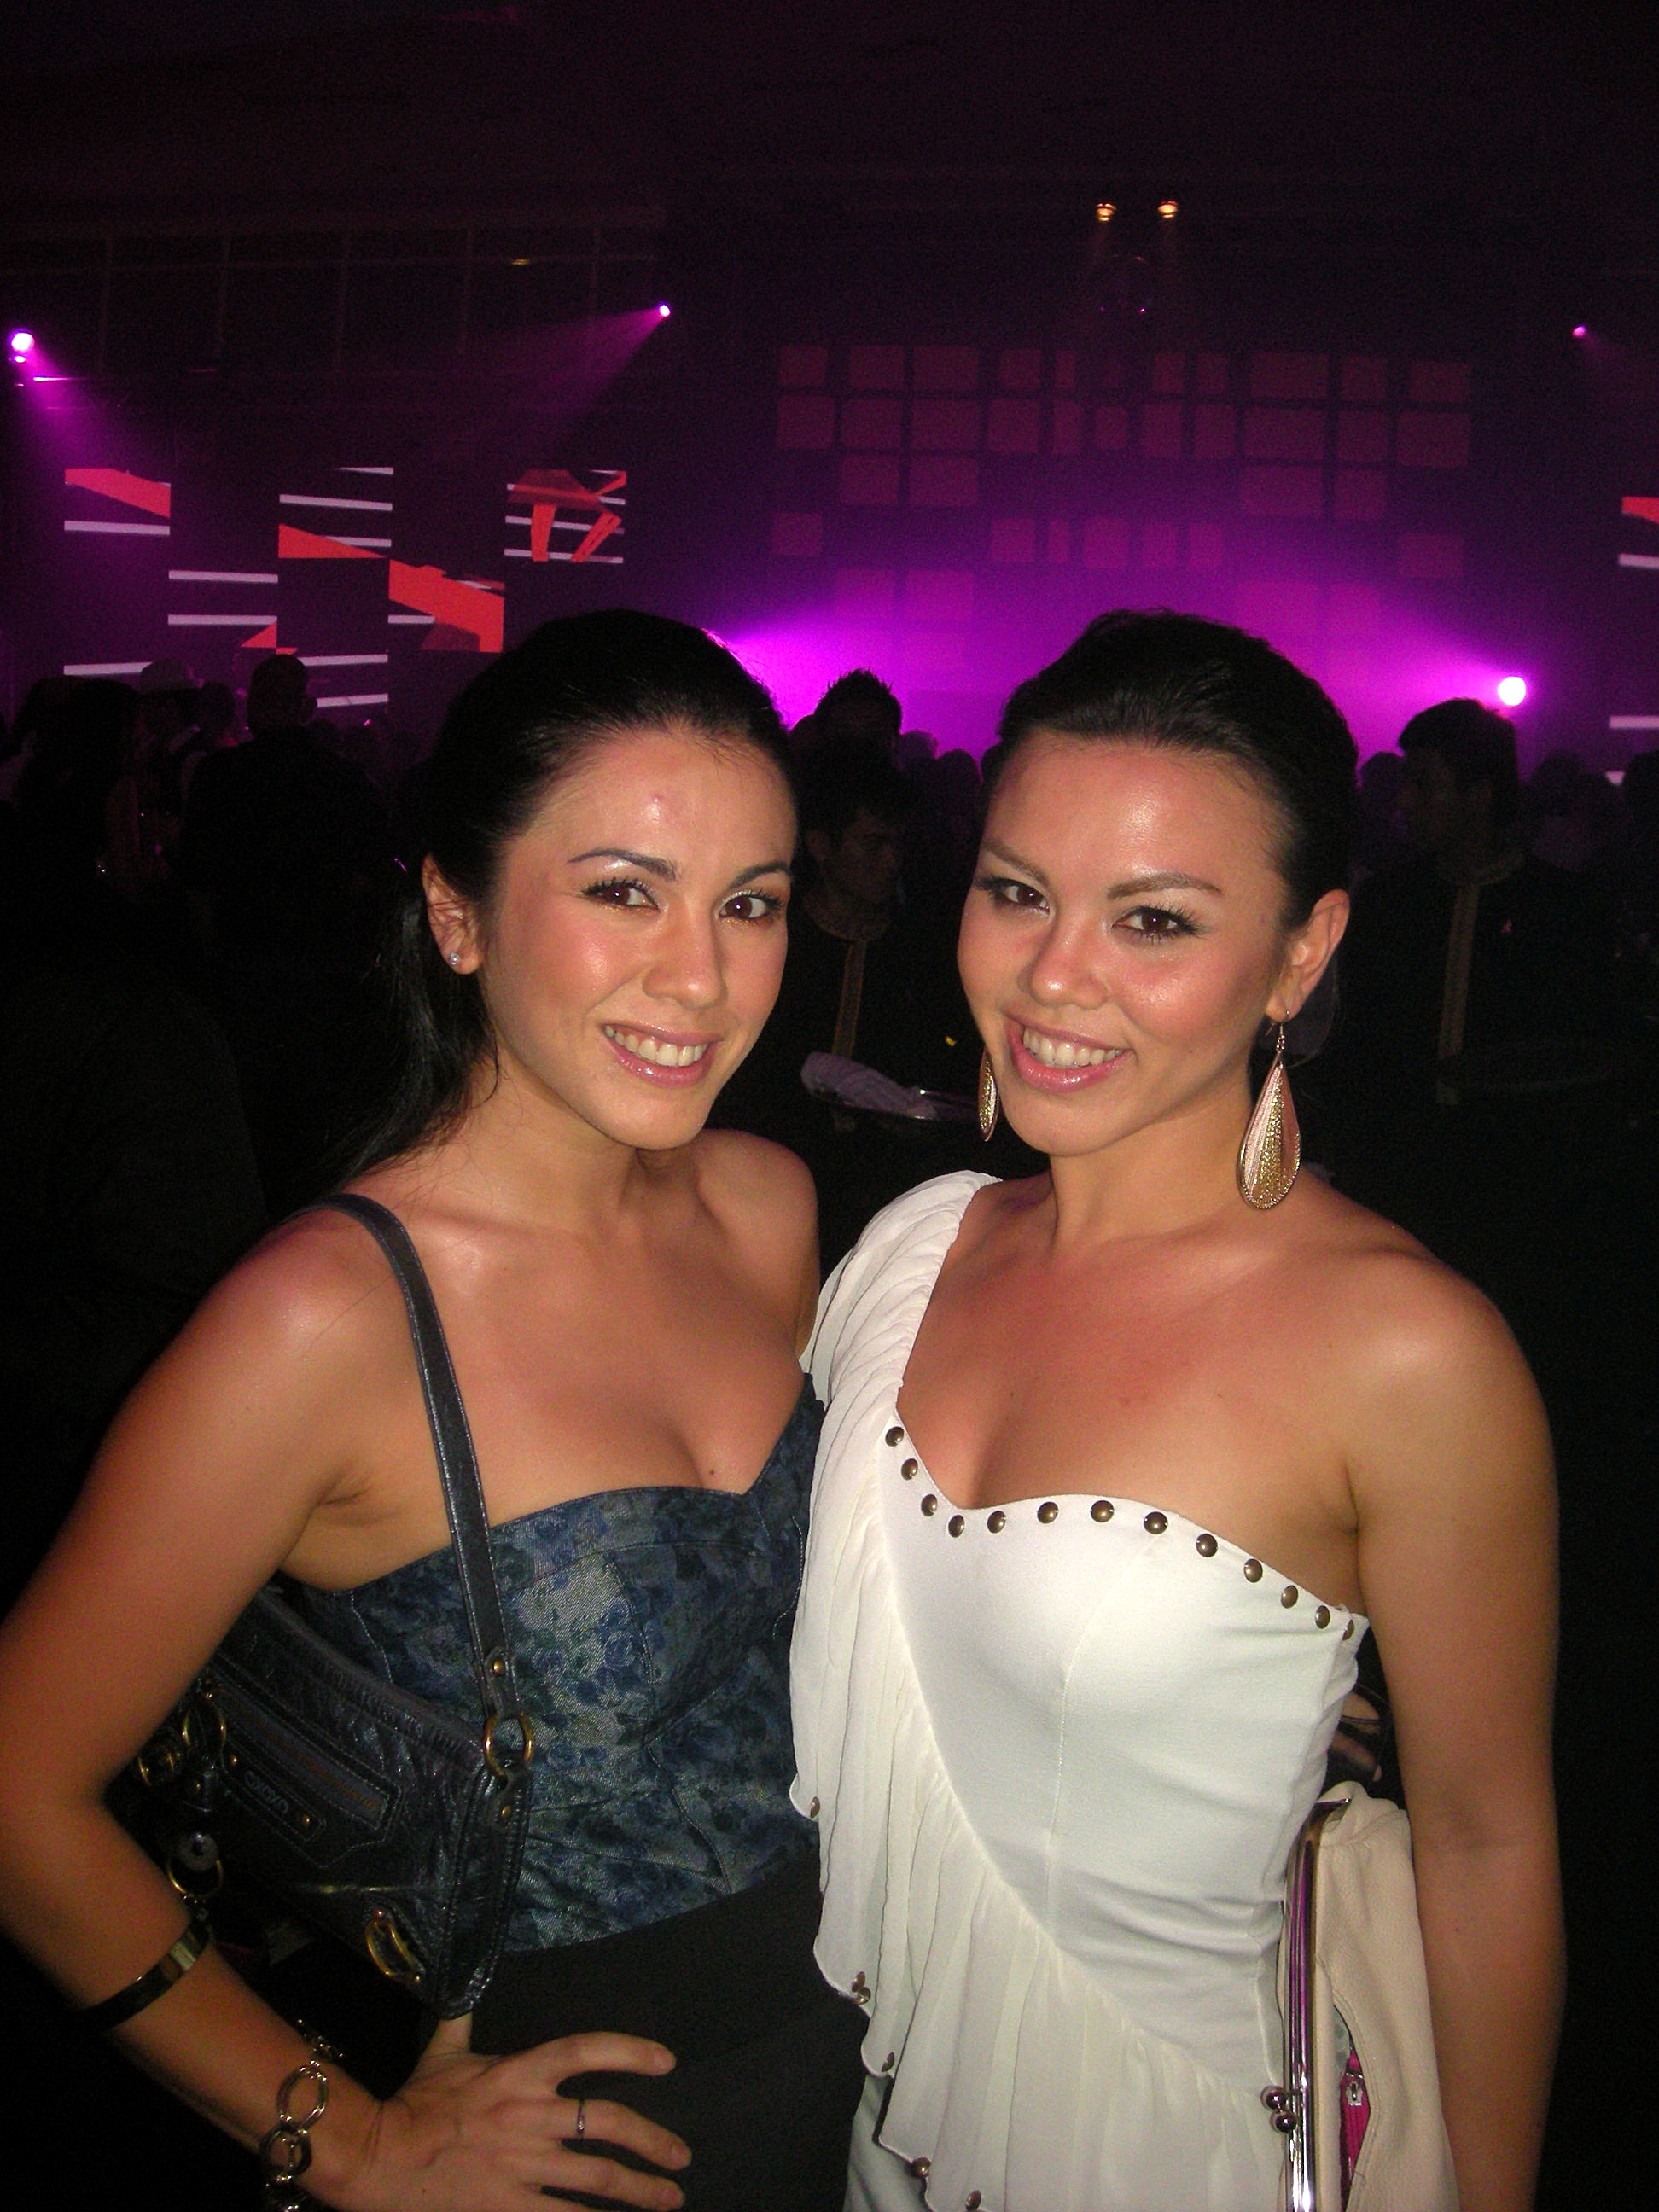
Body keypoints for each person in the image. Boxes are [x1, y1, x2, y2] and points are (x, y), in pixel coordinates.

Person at [0, 611, 866, 2211]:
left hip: (861, 2062)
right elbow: (17, 1793)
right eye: (624, 891)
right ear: (456, 914)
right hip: (565, 2142)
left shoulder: (768, 1207)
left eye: (748, 902)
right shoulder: (326, 1320)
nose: (703, 975)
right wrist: (348, 2141)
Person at [793, 613, 1563, 2212]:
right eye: (1017, 891)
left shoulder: (1405, 1352)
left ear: (1302, 951)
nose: (1053, 974)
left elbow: (1488, 1846)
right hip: (880, 2133)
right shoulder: (911, 1247)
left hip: (1179, 2154)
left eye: (1153, 919)